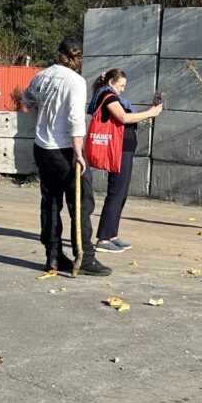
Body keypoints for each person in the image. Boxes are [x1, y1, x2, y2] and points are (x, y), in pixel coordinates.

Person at [22, 37, 111, 276]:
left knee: (50, 203)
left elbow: (27, 99)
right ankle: (85, 257)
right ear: (78, 58)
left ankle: (53, 256)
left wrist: (39, 124)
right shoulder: (76, 81)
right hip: (64, 150)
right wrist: (79, 154)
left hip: (42, 147)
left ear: (58, 53)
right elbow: (75, 120)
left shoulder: (42, 76)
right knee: (81, 204)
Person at [87, 68, 163, 253]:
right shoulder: (108, 96)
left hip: (125, 149)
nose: (122, 90)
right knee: (116, 192)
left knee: (121, 193)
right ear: (112, 82)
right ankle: (103, 239)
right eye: (121, 86)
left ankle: (112, 234)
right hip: (118, 150)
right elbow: (123, 117)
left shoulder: (109, 94)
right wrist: (150, 112)